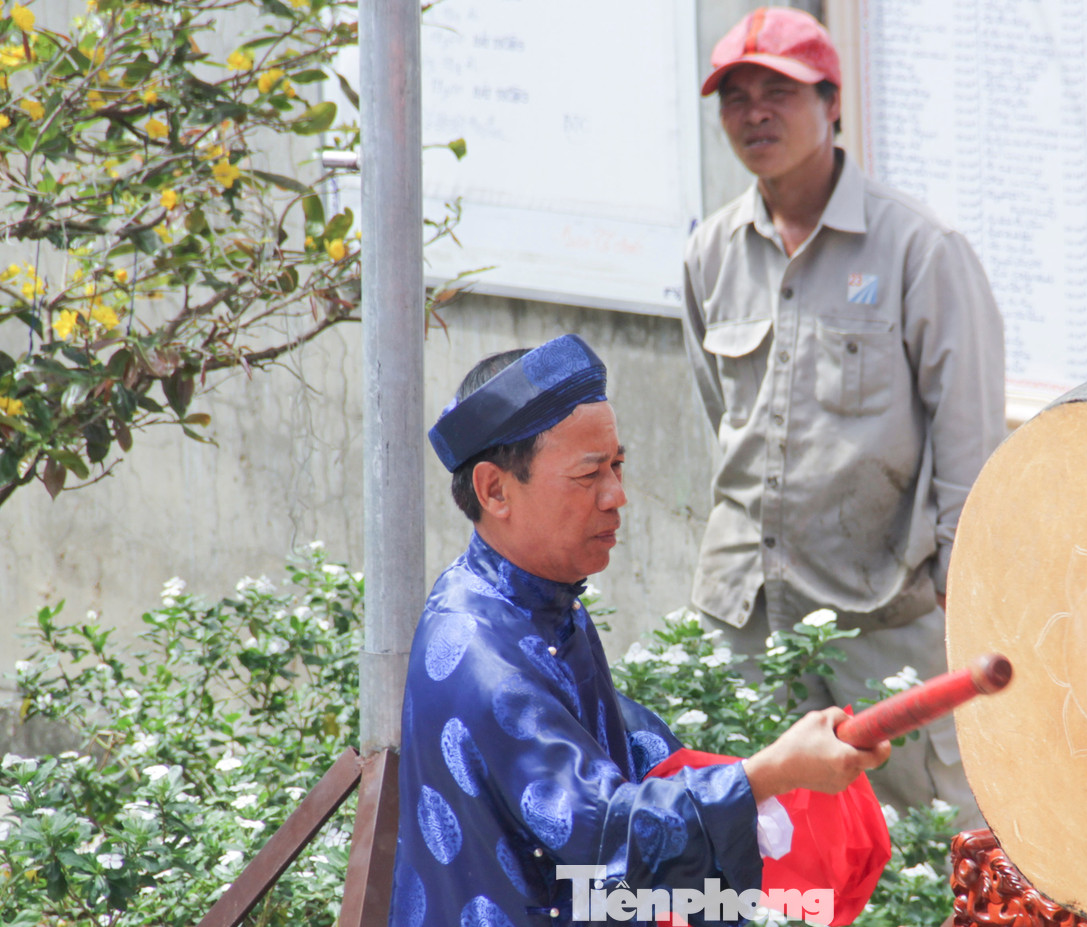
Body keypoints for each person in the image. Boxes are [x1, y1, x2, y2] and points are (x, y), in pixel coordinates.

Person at [389, 334, 890, 927]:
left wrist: (771, 774)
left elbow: (616, 745)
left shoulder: (539, 602)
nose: (617, 496)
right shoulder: (477, 649)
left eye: (618, 466)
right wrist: (770, 774)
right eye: (589, 475)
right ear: (495, 489)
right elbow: (604, 833)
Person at [681, 7, 1005, 825]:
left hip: (883, 620)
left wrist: (958, 596)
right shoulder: (711, 253)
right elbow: (721, 417)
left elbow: (969, 445)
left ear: (832, 105)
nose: (755, 113)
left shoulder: (918, 250)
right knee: (766, 845)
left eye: (778, 93)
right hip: (750, 620)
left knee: (925, 843)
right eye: (736, 96)